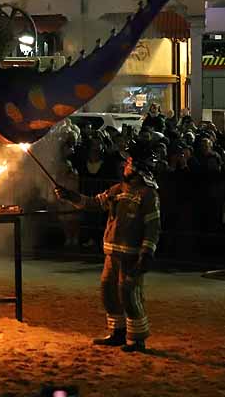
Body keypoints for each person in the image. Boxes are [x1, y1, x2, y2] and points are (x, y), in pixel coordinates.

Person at [55, 140, 161, 352]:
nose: (125, 166)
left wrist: (146, 254)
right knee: (108, 291)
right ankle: (118, 332)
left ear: (139, 169)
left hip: (132, 255)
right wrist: (70, 196)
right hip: (112, 253)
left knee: (129, 294)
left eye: (129, 163)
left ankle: (137, 339)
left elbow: (153, 227)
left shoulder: (148, 195)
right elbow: (94, 203)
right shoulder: (116, 189)